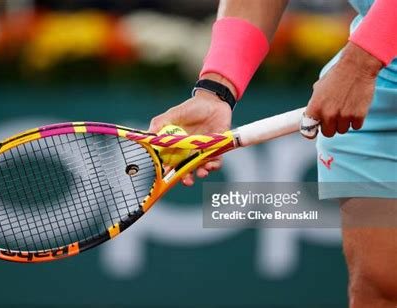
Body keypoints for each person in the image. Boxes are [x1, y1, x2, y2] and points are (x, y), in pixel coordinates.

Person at [149, 0, 397, 306]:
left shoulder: (360, 67)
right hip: (381, 85)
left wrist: (359, 65)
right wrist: (217, 90)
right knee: (380, 287)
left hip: (367, 66)